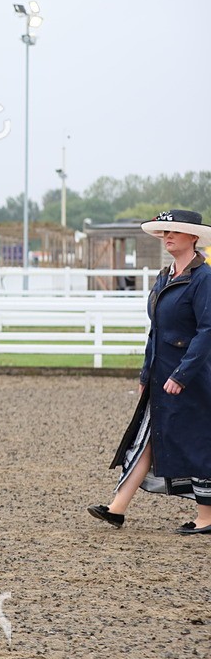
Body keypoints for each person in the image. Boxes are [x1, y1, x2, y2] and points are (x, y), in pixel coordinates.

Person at [91, 209, 211, 534]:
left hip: (192, 379)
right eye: (164, 233)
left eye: (174, 232)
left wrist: (182, 376)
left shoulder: (203, 278)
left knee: (198, 440)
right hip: (161, 375)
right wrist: (147, 374)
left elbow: (207, 332)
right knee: (147, 439)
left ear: (192, 238)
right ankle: (117, 508)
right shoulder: (164, 276)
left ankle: (207, 517)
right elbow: (155, 330)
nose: (167, 237)